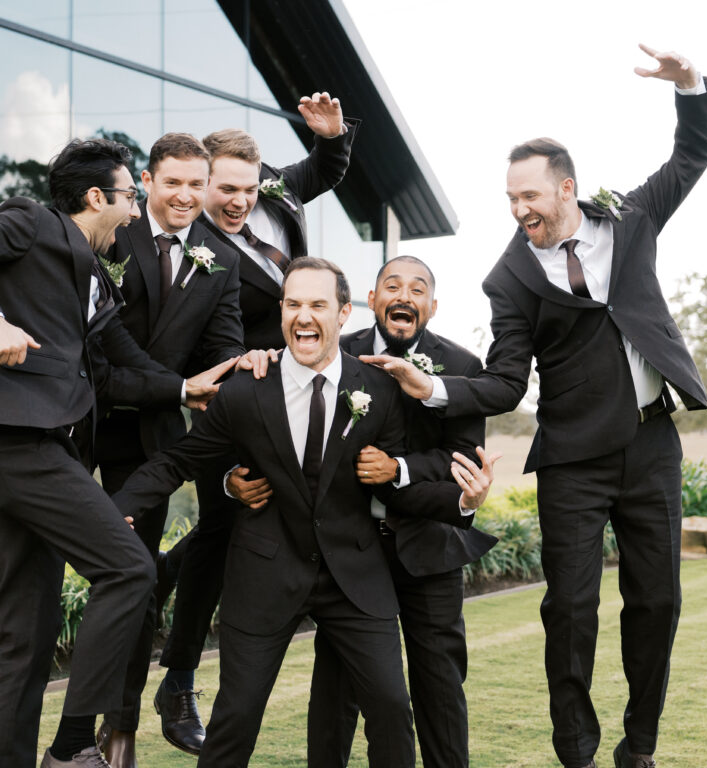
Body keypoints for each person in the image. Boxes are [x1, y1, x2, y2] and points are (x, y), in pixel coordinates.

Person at [365, 46, 707, 768]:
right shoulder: (509, 279)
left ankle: (640, 746)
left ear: (565, 189)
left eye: (529, 196)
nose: (519, 210)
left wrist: (688, 84)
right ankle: (578, 751)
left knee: (658, 604)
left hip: (653, 447)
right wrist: (429, 387)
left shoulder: (629, 220)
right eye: (510, 199)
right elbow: (503, 383)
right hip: (574, 462)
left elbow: (691, 155)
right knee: (570, 609)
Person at [112, 257, 495, 768]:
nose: (304, 316)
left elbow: (395, 486)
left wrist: (462, 502)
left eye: (317, 304)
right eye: (293, 304)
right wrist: (118, 510)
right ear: (282, 312)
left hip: (355, 576)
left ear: (342, 314)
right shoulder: (247, 390)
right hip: (266, 570)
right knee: (236, 717)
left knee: (390, 707)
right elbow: (178, 461)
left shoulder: (379, 389)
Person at [0, 138, 169, 768]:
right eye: (131, 198)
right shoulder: (34, 223)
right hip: (14, 436)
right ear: (97, 197)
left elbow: (125, 369)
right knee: (130, 569)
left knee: (27, 641)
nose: (137, 213)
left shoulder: (94, 285)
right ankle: (68, 750)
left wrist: (191, 388)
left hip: (35, 447)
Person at [149, 92, 358, 754]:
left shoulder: (269, 195)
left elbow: (320, 173)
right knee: (220, 528)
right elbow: (201, 328)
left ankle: (159, 577)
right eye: (222, 191)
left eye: (245, 189)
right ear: (203, 182)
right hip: (235, 397)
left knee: (251, 523)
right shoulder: (198, 245)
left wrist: (331, 138)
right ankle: (179, 680)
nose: (235, 203)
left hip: (299, 400)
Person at [301, 255, 497, 767]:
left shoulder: (462, 367)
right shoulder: (334, 352)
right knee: (336, 683)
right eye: (392, 285)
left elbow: (460, 459)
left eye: (417, 288)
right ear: (372, 300)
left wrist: (400, 469)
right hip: (350, 551)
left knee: (439, 683)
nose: (403, 295)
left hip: (428, 547)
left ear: (431, 306)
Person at [90, 132, 246, 768]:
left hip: (150, 444)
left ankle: (119, 729)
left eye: (195, 184)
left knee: (135, 581)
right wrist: (181, 387)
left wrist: (228, 388)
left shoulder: (220, 259)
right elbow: (97, 351)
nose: (185, 195)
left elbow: (223, 354)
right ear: (148, 183)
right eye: (172, 182)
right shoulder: (108, 235)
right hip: (82, 425)